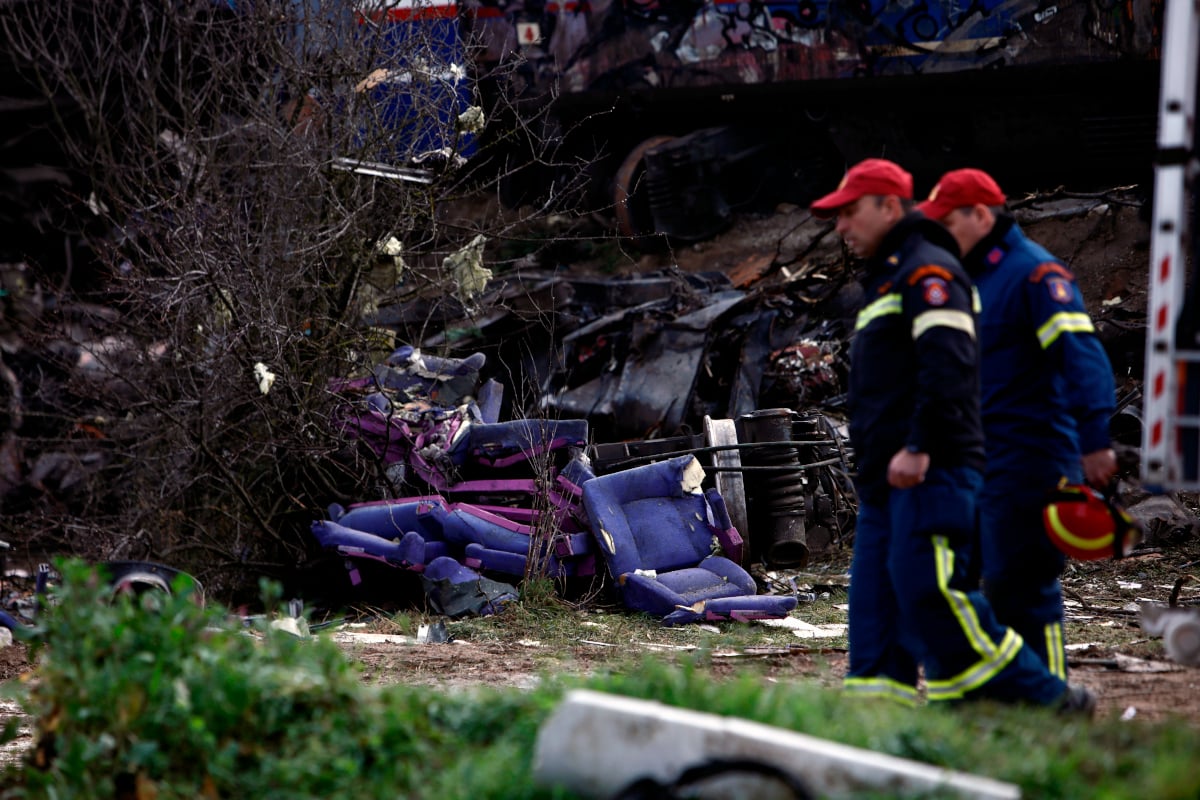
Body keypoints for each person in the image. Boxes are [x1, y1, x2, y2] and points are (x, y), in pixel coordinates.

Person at [810, 158, 1091, 712]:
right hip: (884, 478)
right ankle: (877, 716)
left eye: (850, 212)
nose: (840, 227)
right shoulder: (890, 276)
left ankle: (1050, 697)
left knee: (936, 594)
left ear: (890, 206)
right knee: (876, 608)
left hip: (932, 470)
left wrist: (919, 446)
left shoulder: (930, 272)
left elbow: (948, 369)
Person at [917, 168, 1117, 681]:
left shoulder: (1035, 275)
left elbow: (1082, 356)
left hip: (1031, 459)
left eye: (947, 222)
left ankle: (1048, 698)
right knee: (961, 581)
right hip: (976, 459)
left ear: (981, 216)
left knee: (1021, 585)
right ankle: (994, 689)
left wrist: (1095, 440)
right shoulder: (965, 277)